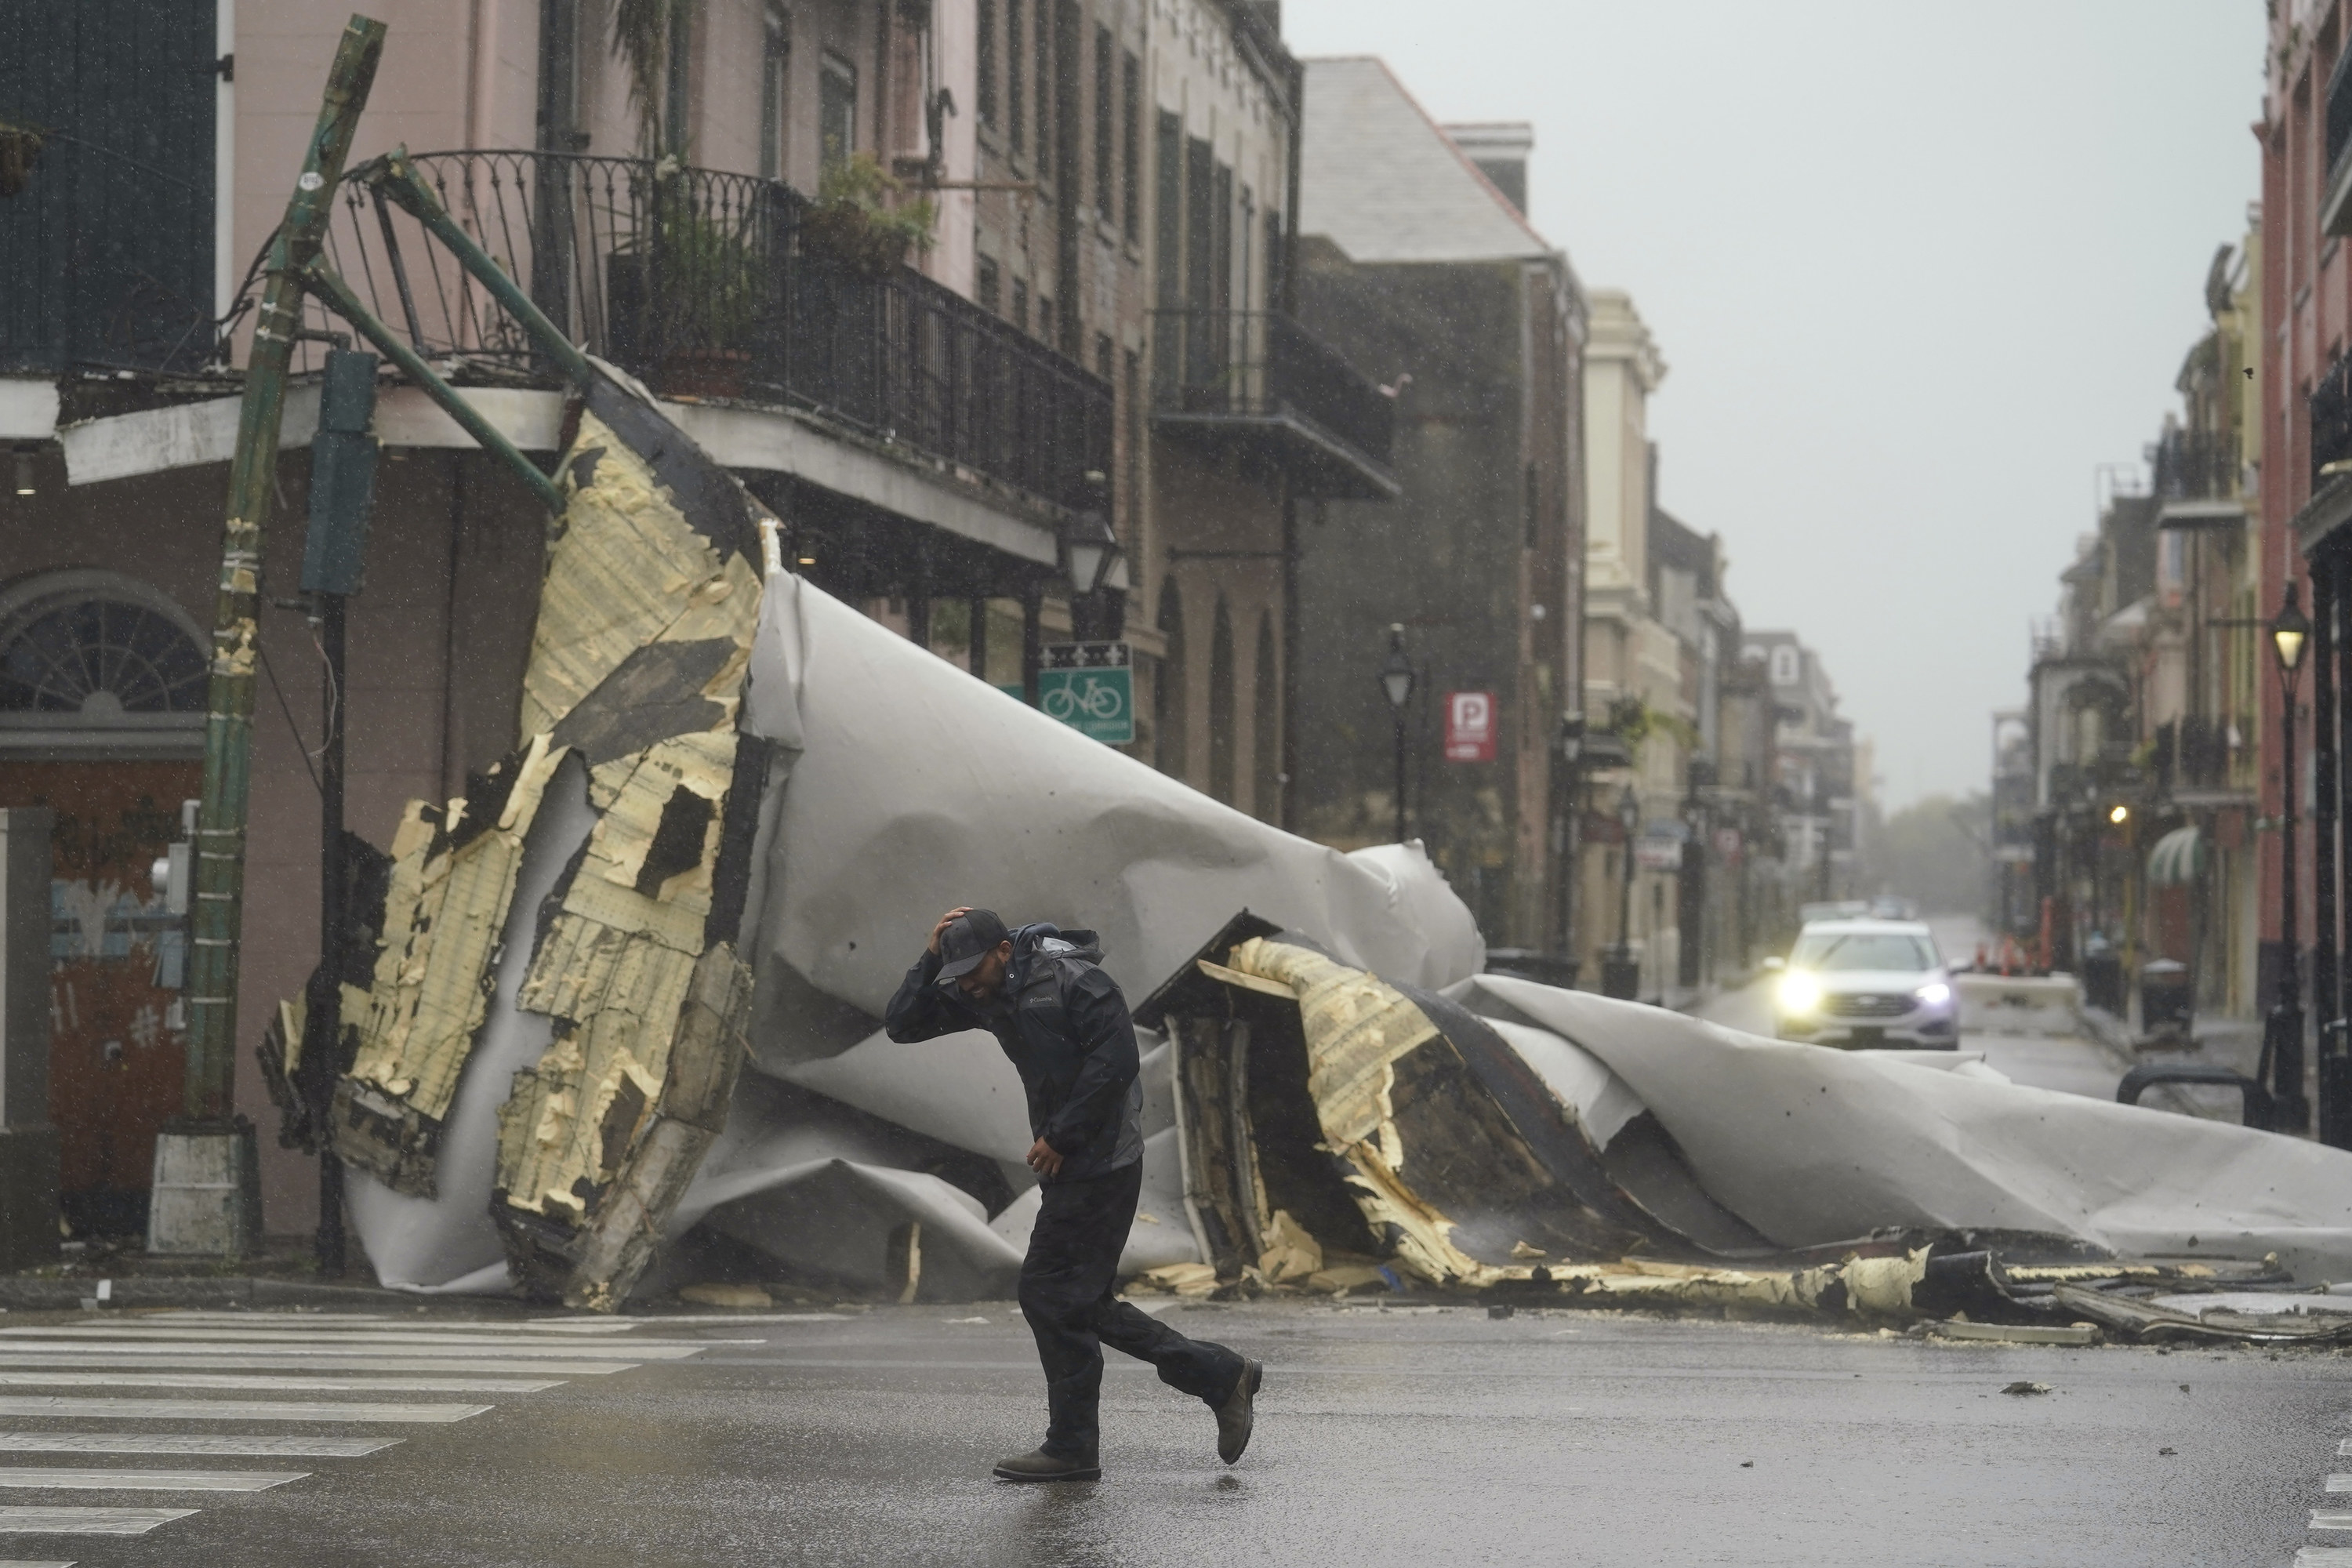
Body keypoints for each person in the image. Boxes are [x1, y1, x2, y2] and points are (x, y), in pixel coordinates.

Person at [885, 906, 1261, 1483]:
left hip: (1104, 1157)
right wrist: (931, 957)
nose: (965, 984)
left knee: (1053, 1294)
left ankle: (1091, 1437)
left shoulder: (1075, 981)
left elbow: (1115, 1062)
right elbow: (903, 1025)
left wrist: (1062, 1136)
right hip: (1071, 1160)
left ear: (1005, 951)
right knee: (1072, 1299)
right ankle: (1190, 1387)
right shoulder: (985, 990)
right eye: (956, 974)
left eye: (972, 969)